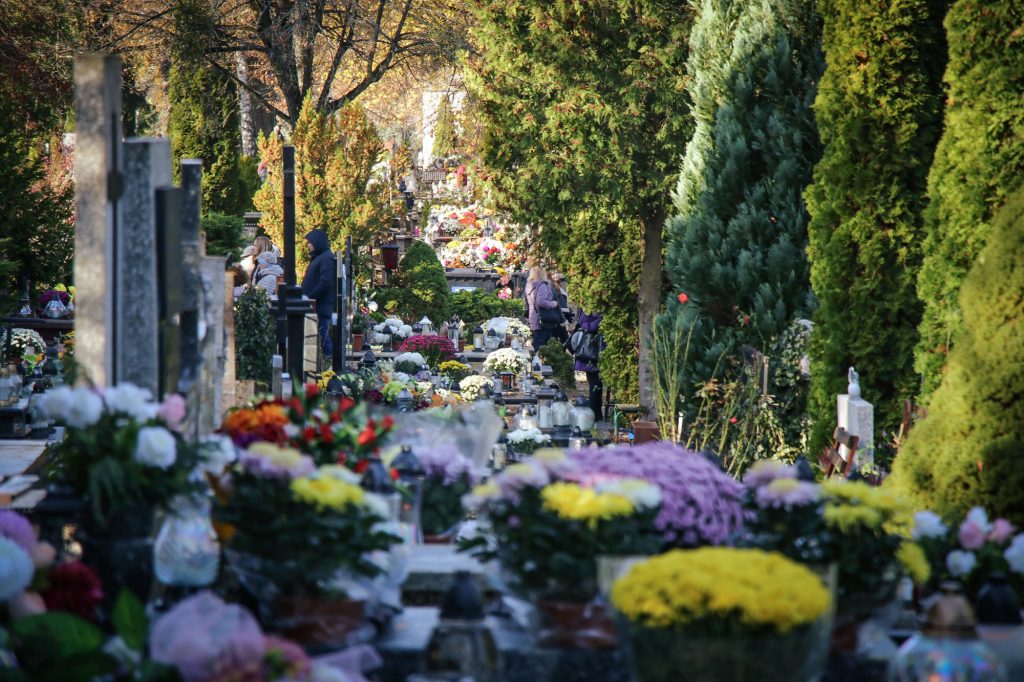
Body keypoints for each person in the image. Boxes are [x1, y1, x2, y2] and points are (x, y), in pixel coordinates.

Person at [301, 229, 336, 361]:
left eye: (310, 242)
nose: (308, 245)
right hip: (317, 305)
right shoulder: (321, 257)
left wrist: (311, 297)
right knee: (320, 336)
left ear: (317, 242)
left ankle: (329, 361)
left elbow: (325, 282)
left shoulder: (326, 258)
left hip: (320, 305)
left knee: (323, 336)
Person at [572, 312, 604, 421]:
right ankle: (593, 413)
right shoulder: (591, 308)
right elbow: (585, 324)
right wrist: (600, 320)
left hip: (593, 349)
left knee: (596, 385)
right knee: (595, 384)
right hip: (592, 350)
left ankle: (597, 413)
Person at [525, 266, 560, 350]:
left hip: (534, 315)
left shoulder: (529, 285)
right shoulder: (542, 285)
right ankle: (536, 357)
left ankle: (537, 356)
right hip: (543, 317)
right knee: (541, 342)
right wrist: (553, 303)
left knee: (540, 340)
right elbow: (541, 301)